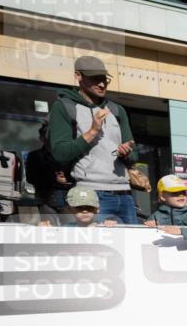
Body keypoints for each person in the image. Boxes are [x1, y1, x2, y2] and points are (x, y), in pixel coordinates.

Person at [46, 55, 138, 224]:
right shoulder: (64, 107)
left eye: (104, 79)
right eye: (95, 79)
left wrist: (126, 153)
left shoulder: (117, 110)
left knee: (133, 241)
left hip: (125, 194)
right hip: (89, 195)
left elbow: (134, 155)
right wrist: (93, 131)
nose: (102, 84)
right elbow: (60, 153)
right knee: (94, 241)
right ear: (78, 76)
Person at [143, 175, 187, 241]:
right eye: (175, 193)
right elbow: (145, 236)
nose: (181, 195)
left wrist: (181, 231)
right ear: (163, 197)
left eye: (183, 192)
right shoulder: (156, 215)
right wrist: (150, 225)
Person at [25, 122, 71, 219]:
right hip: (46, 199)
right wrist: (55, 179)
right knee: (49, 227)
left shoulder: (68, 155)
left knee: (70, 226)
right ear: (42, 138)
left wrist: (67, 179)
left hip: (68, 199)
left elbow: (77, 174)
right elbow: (31, 178)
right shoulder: (35, 156)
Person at [38, 186, 116, 227]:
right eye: (79, 208)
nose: (85, 211)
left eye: (89, 207)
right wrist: (45, 229)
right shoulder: (66, 229)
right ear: (70, 209)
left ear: (97, 209)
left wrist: (111, 226)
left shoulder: (103, 227)